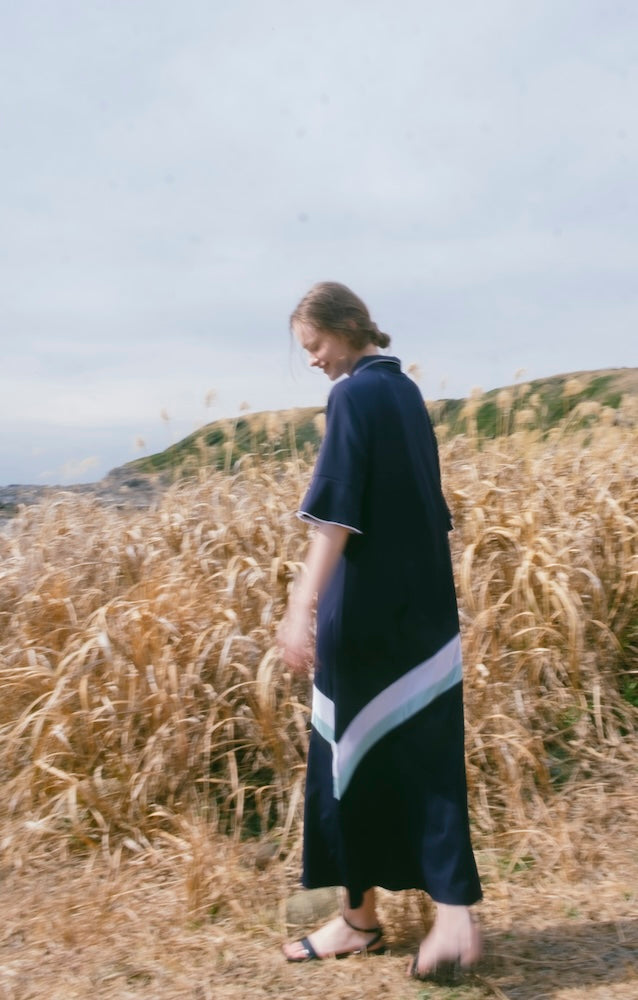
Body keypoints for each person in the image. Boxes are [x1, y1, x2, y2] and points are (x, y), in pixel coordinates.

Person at [277, 282, 482, 979]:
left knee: (346, 760)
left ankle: (367, 922)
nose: (313, 361)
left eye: (315, 345)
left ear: (345, 326)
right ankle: (439, 919)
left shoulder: (354, 396)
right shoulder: (405, 393)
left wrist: (299, 608)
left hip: (366, 613)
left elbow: (335, 517)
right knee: (428, 760)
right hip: (423, 610)